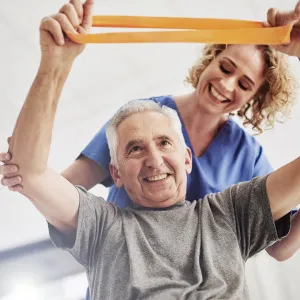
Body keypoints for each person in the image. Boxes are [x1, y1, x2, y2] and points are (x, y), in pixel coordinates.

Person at [3, 15, 299, 295]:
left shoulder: (231, 205)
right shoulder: (141, 117)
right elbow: (42, 177)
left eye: (244, 84)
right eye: (135, 147)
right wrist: (56, 63)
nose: (226, 84)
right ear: (115, 170)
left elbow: (282, 246)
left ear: (186, 158)